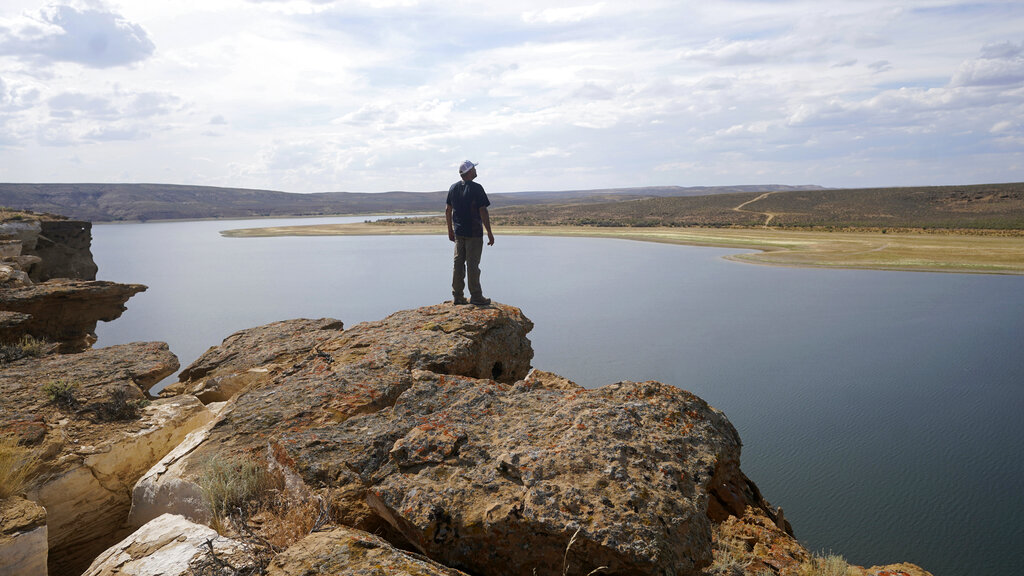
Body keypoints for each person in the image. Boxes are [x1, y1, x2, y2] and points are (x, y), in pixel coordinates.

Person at [446, 160, 494, 306]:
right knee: (473, 265)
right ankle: (476, 296)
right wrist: (490, 233)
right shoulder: (477, 188)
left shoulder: (453, 188)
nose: (475, 170)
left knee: (458, 264)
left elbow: (448, 210)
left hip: (459, 233)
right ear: (469, 172)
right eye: (474, 168)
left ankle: (458, 296)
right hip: (474, 233)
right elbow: (483, 211)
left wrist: (450, 230)